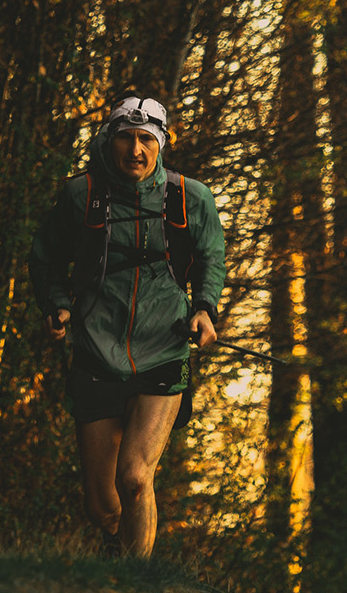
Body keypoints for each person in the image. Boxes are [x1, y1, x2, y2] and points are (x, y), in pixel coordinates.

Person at [29, 92, 226, 557]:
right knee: (102, 505)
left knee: (136, 477)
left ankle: (138, 583)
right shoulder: (81, 195)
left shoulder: (190, 198)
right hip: (96, 350)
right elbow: (46, 257)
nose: (135, 150)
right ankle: (115, 556)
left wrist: (204, 308)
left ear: (161, 144)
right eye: (125, 138)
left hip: (165, 347)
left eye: (146, 139)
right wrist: (57, 305)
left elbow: (211, 258)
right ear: (109, 140)